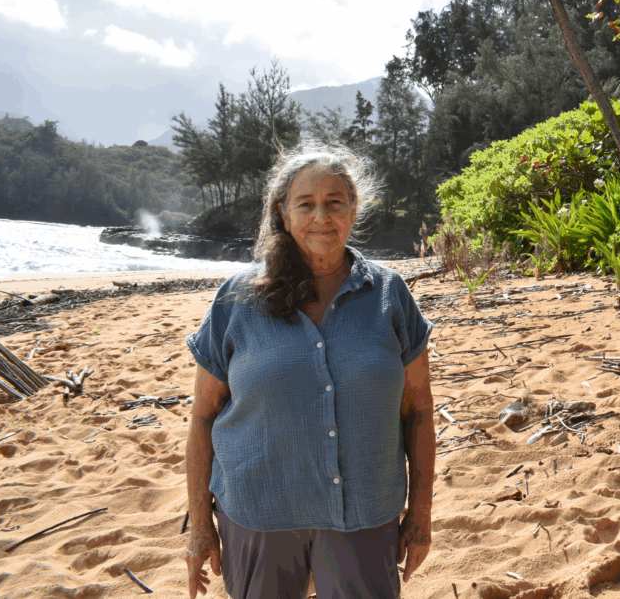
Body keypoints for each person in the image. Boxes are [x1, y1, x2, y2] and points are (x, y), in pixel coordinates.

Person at [184, 142, 435, 599]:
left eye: (334, 203)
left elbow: (419, 409)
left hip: (365, 512)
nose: (322, 216)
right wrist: (200, 525)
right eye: (306, 204)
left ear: (354, 209)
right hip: (257, 513)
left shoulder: (389, 294)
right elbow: (203, 416)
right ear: (283, 213)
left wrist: (420, 513)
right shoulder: (237, 300)